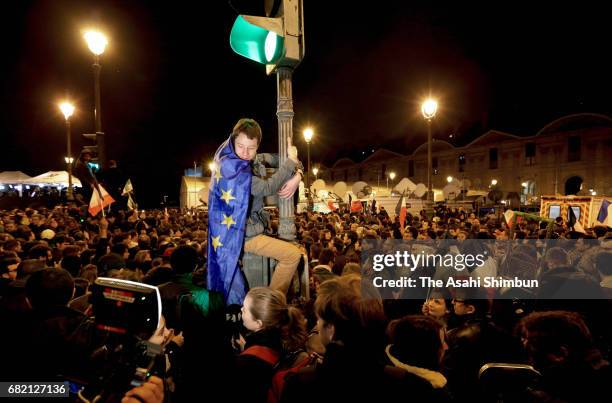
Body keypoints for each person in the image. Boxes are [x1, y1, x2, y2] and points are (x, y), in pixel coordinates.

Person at [207, 118, 304, 305]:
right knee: (293, 255)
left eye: (250, 148)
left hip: (251, 229)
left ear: (257, 146)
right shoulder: (231, 167)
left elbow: (284, 160)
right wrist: (291, 163)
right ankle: (271, 304)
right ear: (232, 141)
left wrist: (298, 174)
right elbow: (267, 187)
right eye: (240, 146)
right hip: (242, 236)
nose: (244, 153)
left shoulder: (257, 158)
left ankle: (269, 302)